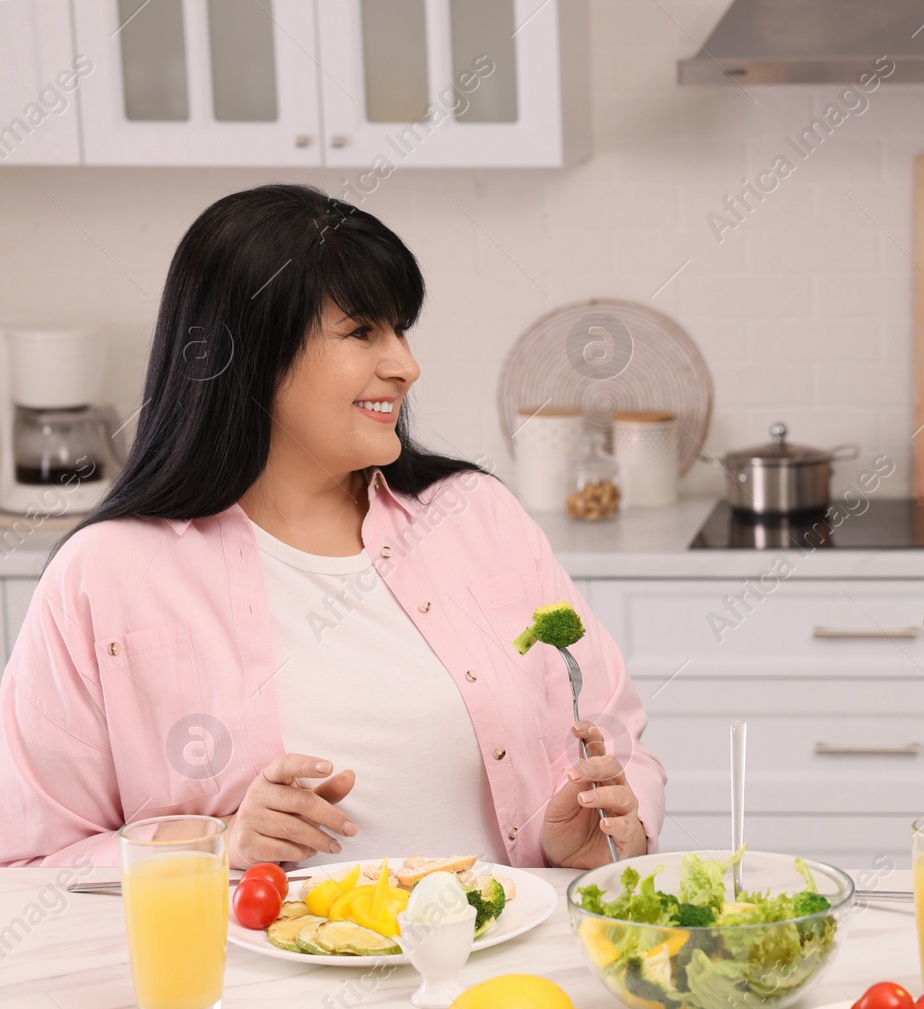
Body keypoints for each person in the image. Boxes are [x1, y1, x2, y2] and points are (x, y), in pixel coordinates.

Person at [0, 184, 665, 870]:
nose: (405, 365)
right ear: (250, 352)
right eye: (361, 331)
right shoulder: (106, 573)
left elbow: (617, 733)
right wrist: (215, 844)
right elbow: (27, 862)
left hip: (505, 973)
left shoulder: (477, 514)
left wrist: (604, 834)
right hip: (254, 981)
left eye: (399, 328)